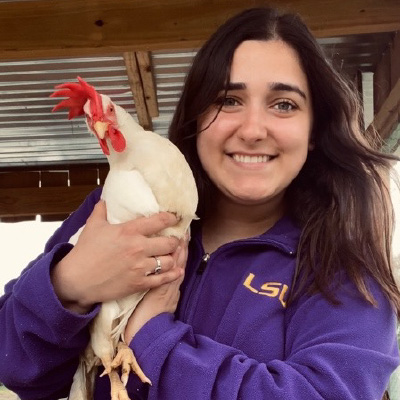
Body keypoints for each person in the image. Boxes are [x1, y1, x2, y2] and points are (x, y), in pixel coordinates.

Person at [1, 6, 400, 400]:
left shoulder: (344, 268)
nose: (253, 130)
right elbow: (18, 369)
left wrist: (155, 338)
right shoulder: (114, 210)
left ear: (314, 129)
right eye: (228, 100)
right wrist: (69, 284)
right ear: (196, 116)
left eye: (284, 104)